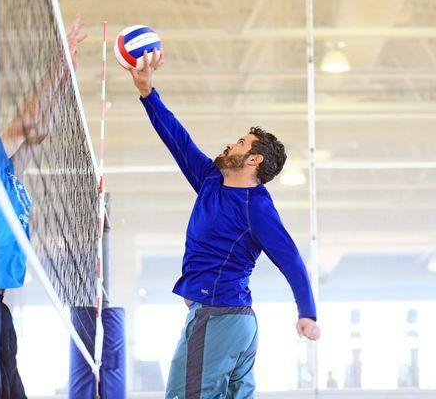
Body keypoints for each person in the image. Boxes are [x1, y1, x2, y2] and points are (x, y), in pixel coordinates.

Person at [126, 49, 321, 399]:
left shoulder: (257, 208)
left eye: (241, 143)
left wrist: (307, 312)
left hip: (219, 318)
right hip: (233, 321)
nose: (231, 143)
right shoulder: (211, 180)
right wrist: (147, 92)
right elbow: (178, 140)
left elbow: (290, 259)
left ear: (253, 159)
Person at [0, 16, 86, 399]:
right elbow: (27, 120)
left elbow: (38, 129)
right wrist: (59, 64)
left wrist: (66, 81)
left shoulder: (7, 174)